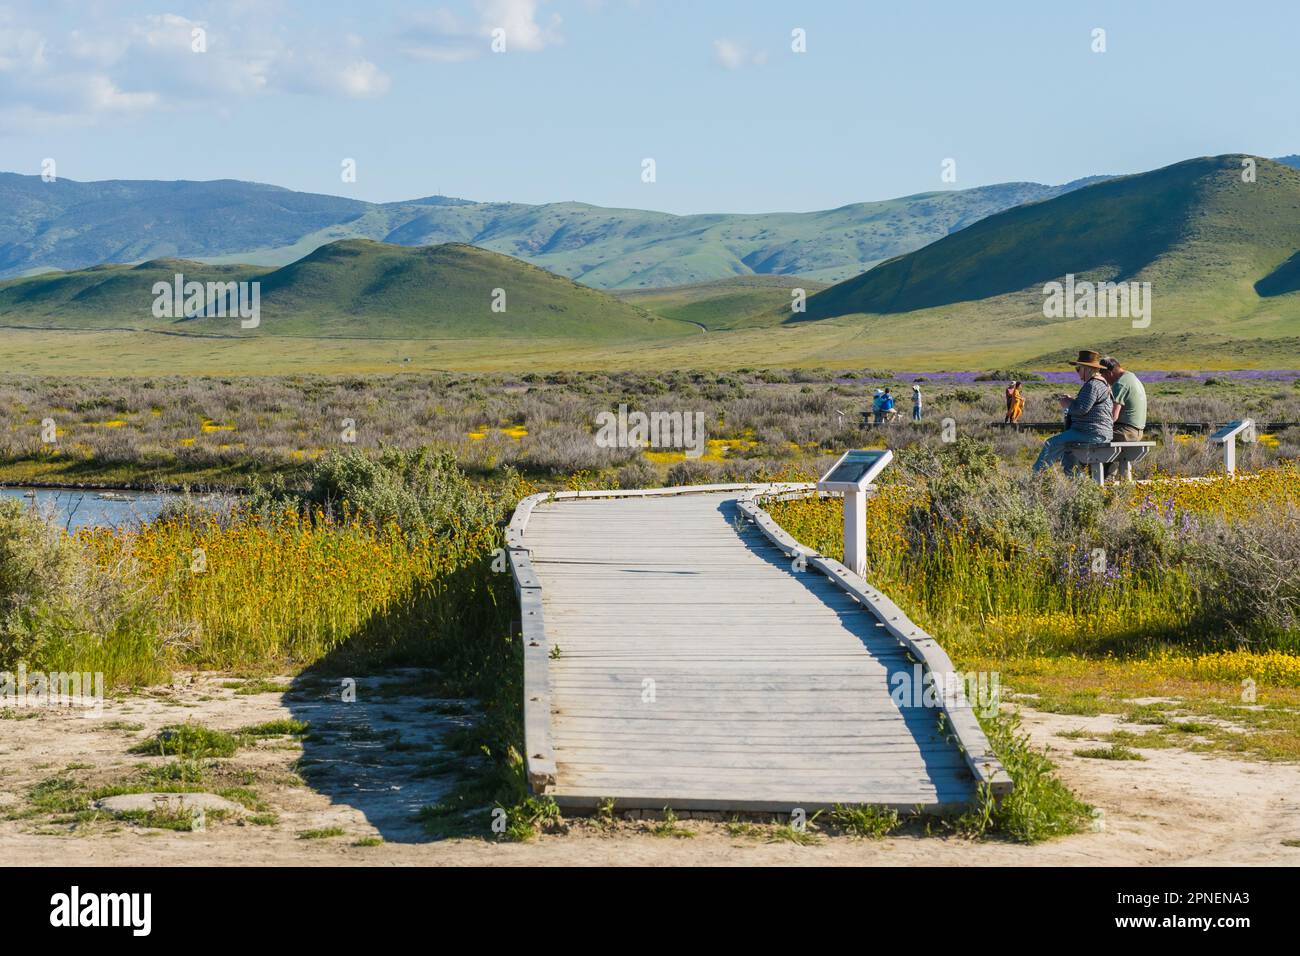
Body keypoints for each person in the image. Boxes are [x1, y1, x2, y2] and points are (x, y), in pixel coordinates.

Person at [1032, 350, 1113, 473]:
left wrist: (1068, 404)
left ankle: (1036, 476)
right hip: (1099, 432)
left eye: (1078, 369)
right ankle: (1075, 482)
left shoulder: (1092, 385)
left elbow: (1080, 409)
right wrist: (1072, 401)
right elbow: (1086, 406)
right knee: (1069, 454)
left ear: (1087, 369)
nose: (1078, 373)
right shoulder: (1102, 384)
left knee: (1051, 444)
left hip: (1091, 432)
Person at [1100, 356, 1147, 479]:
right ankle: (1113, 481)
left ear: (1109, 373)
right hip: (1135, 431)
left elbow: (1112, 416)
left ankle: (1102, 481)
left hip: (1125, 431)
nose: (1105, 381)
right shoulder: (1131, 377)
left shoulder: (1120, 384)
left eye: (1104, 376)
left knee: (1095, 444)